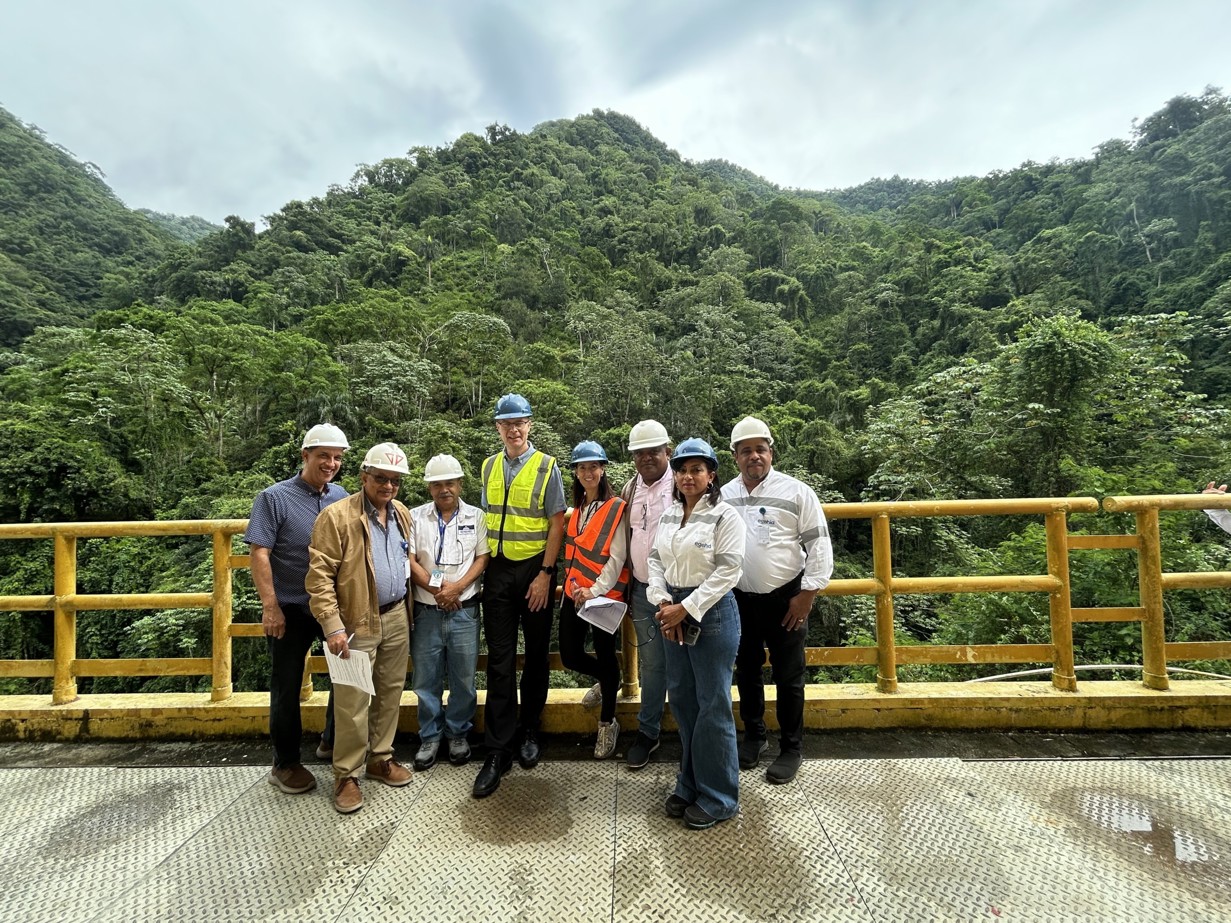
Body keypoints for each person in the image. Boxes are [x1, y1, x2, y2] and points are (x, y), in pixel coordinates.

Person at [722, 416, 833, 785]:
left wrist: (807, 594)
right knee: (747, 670)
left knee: (789, 676)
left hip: (788, 599)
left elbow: (819, 545)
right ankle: (754, 736)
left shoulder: (797, 492)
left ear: (771, 452)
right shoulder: (724, 495)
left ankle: (791, 748)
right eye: (746, 450)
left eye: (760, 449)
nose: (754, 456)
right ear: (735, 456)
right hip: (739, 598)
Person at [306, 442, 414, 814]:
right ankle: (346, 774)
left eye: (395, 480)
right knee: (352, 700)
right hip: (355, 621)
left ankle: (380, 757)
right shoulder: (337, 517)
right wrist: (332, 626)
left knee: (389, 691)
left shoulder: (401, 513)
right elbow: (319, 577)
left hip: (396, 614)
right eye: (381, 478)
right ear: (364, 476)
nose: (388, 486)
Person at [245, 423, 349, 796]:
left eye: (337, 458)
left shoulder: (340, 495)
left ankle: (333, 740)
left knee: (347, 676)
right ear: (305, 455)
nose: (331, 463)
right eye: (323, 456)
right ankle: (284, 763)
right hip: (289, 607)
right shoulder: (274, 498)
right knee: (286, 686)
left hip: (331, 607)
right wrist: (270, 606)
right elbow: (259, 552)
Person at [648, 438, 745, 830]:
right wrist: (662, 601)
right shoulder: (670, 515)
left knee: (712, 705)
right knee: (684, 701)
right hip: (671, 611)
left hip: (711, 614)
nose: (688, 477)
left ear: (711, 475)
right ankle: (689, 783)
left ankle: (720, 797)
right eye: (682, 470)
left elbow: (729, 570)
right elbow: (655, 560)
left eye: (696, 470)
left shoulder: (725, 516)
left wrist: (685, 608)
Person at [473, 393, 566, 798]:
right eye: (506, 423)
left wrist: (546, 573)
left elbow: (557, 522)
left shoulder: (547, 466)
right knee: (500, 660)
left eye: (520, 422)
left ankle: (530, 729)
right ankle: (498, 749)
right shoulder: (489, 466)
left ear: (529, 425)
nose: (514, 429)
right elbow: (486, 518)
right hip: (497, 570)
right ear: (498, 427)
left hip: (535, 570)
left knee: (536, 656)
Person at [409, 454, 488, 770]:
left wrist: (457, 589)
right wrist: (439, 591)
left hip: (464, 611)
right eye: (437, 484)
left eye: (450, 483)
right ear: (429, 487)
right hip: (427, 611)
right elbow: (410, 560)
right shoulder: (414, 517)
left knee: (463, 679)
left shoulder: (476, 516)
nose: (444, 489)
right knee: (425, 678)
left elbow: (482, 558)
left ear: (460, 484)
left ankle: (457, 734)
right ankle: (429, 737)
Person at [559, 441, 630, 759]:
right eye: (582, 467)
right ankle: (607, 679)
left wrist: (596, 590)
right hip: (574, 593)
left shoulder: (615, 508)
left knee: (605, 653)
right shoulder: (576, 510)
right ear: (576, 472)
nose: (588, 472)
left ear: (602, 470)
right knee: (570, 655)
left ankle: (607, 723)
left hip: (603, 596)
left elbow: (617, 557)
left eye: (593, 467)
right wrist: (577, 589)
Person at [618, 419, 674, 769]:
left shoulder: (683, 483)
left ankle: (694, 732)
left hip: (680, 593)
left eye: (654, 451)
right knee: (652, 665)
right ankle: (649, 731)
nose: (647, 458)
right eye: (640, 453)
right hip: (641, 589)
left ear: (668, 450)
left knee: (687, 664)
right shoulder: (629, 489)